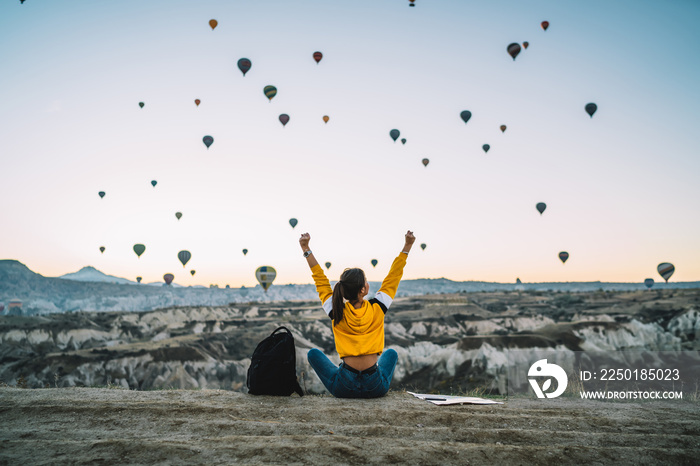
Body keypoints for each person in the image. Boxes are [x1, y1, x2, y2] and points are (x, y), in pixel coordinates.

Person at [299, 230, 415, 398]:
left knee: (312, 354)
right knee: (391, 353)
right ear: (363, 289)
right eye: (366, 281)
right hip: (375, 387)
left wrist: (306, 248)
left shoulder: (336, 310)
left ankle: (345, 373)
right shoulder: (378, 307)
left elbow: (320, 280)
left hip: (344, 387)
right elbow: (393, 277)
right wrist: (407, 246)